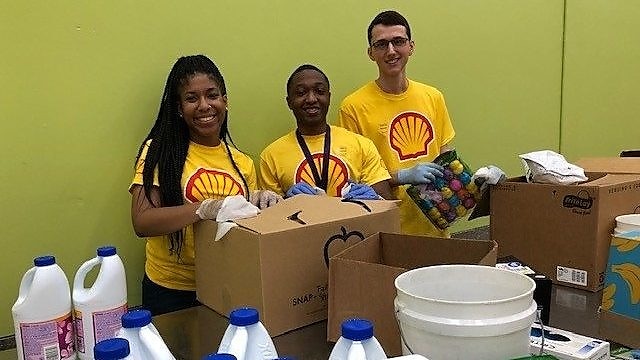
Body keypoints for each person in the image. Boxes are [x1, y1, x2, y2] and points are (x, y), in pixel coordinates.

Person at [129, 55, 281, 315]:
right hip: (170, 291)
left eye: (212, 95)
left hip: (225, 286)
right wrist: (204, 209)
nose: (204, 105)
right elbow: (142, 222)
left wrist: (267, 206)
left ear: (225, 101)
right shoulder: (159, 151)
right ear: (178, 108)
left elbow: (247, 233)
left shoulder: (243, 163)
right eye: (191, 98)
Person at [338, 10, 456, 236]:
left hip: (435, 225)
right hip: (387, 229)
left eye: (398, 42)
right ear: (370, 53)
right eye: (381, 44)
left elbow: (446, 156)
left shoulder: (433, 97)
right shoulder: (353, 107)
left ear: (411, 46)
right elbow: (353, 181)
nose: (391, 51)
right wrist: (401, 176)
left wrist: (474, 182)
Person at [259, 64, 393, 200]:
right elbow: (270, 215)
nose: (311, 99)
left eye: (319, 91)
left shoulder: (362, 145)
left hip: (357, 221)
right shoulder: (271, 156)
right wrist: (286, 203)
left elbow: (388, 205)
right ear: (289, 102)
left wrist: (376, 199)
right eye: (301, 93)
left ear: (328, 97)